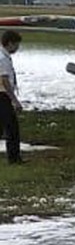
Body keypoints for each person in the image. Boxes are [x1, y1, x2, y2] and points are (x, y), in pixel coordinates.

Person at [0, 30, 23, 164]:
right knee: (12, 128)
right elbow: (4, 80)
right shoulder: (3, 59)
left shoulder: (3, 56)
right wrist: (14, 100)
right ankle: (14, 158)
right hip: (2, 96)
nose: (17, 48)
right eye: (16, 45)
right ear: (10, 43)